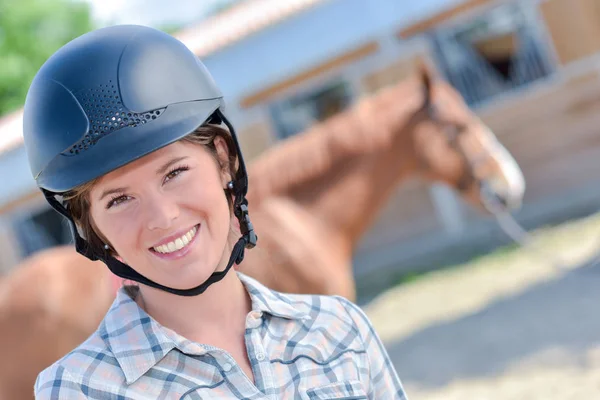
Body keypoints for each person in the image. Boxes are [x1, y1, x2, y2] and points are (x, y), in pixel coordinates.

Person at [26, 24, 407, 399]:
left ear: (223, 161)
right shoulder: (79, 389)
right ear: (91, 227)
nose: (163, 216)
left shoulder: (341, 330)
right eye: (119, 199)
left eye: (175, 173)